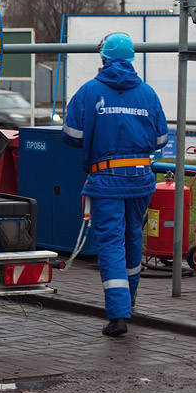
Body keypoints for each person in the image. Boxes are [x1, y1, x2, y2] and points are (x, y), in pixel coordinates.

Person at [62, 33, 169, 337]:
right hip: (140, 179)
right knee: (134, 239)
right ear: (132, 58)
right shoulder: (147, 93)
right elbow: (161, 139)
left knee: (110, 244)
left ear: (104, 59)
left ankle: (119, 314)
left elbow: (72, 135)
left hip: (106, 181)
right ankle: (130, 300)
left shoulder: (89, 91)